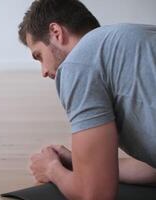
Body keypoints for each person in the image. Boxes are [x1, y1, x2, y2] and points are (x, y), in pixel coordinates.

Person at [18, 0, 156, 199]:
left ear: (56, 32)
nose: (44, 71)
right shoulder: (135, 39)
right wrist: (79, 163)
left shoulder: (79, 63)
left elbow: (96, 194)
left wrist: (51, 169)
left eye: (39, 56)